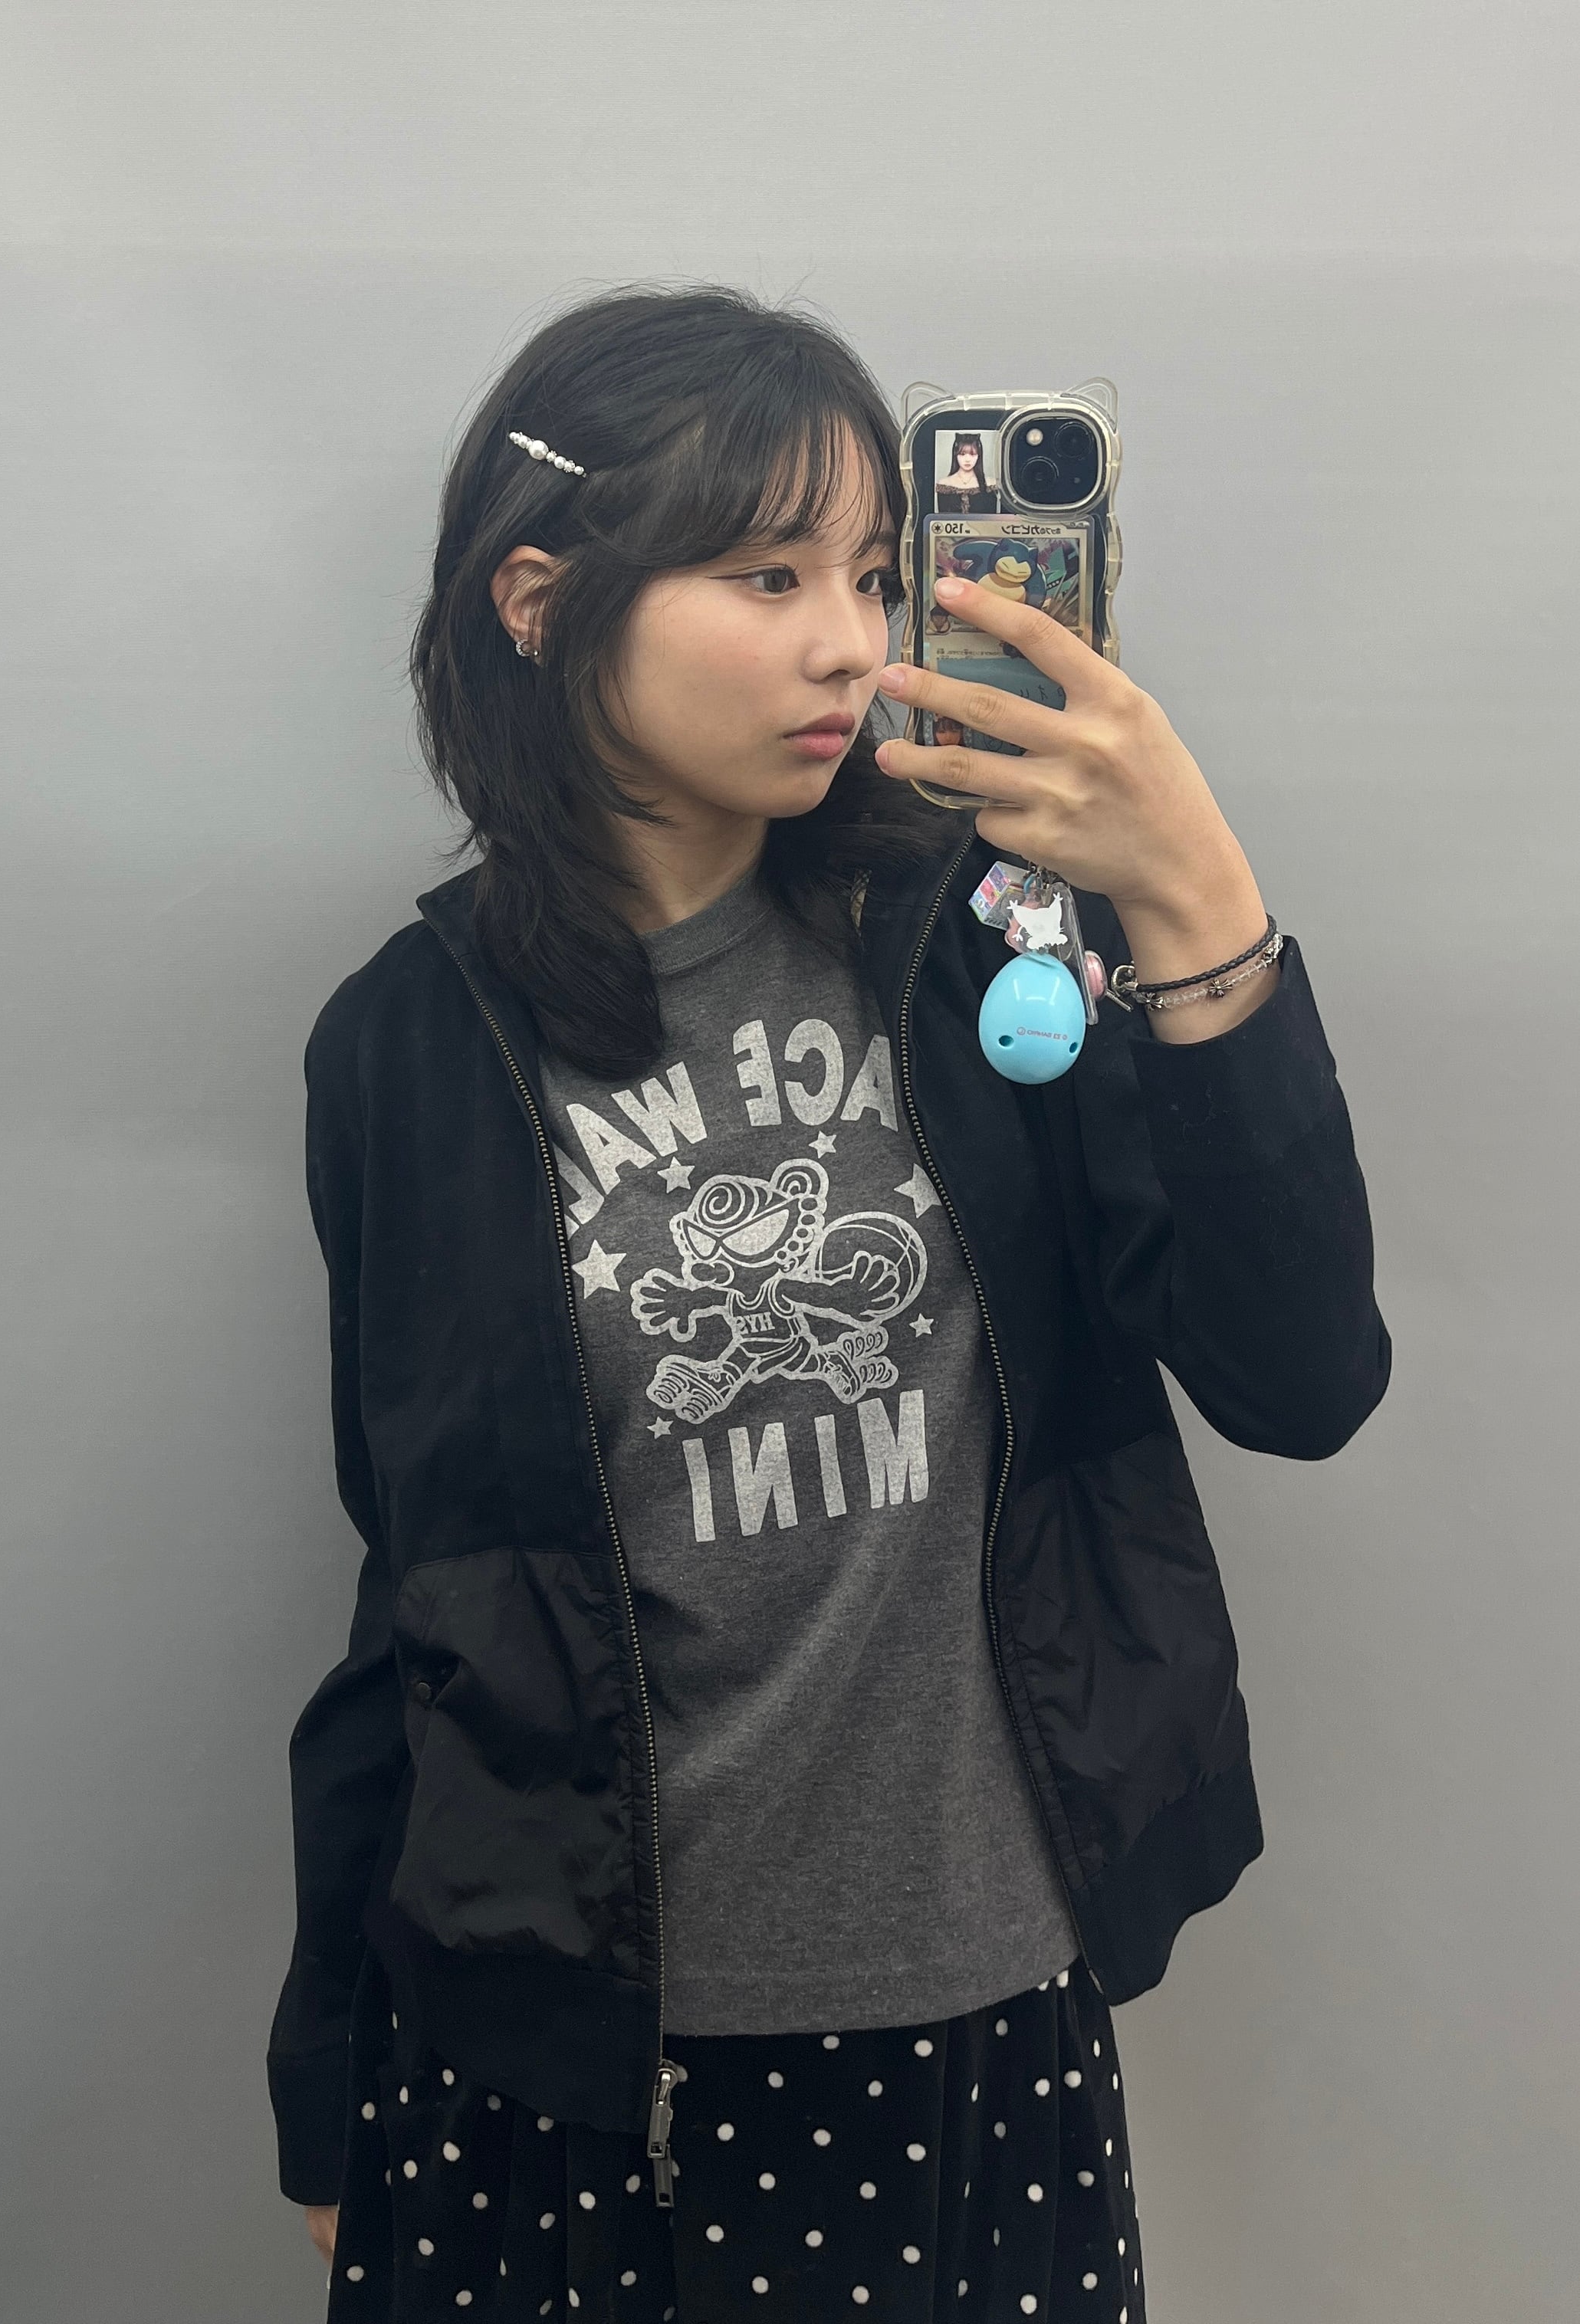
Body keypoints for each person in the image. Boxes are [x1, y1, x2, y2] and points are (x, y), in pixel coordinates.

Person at [267, 284, 1390, 2322]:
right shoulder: (407, 1046)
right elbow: (415, 1582)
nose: (849, 643)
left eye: (872, 572)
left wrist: (1192, 899)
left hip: (969, 2026)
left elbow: (1300, 1373)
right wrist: (325, 2075)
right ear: (540, 599)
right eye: (767, 573)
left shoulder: (988, 945)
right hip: (557, 2055)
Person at [935, 431, 998, 513]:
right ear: (956, 455)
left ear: (978, 456)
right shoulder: (944, 484)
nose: (967, 459)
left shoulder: (990, 484)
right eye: (962, 454)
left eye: (972, 454)